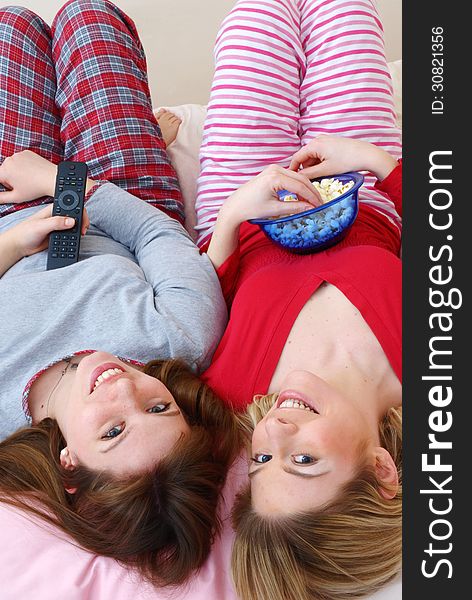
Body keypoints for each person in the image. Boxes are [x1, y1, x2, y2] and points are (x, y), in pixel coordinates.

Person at [0, 0, 241, 588]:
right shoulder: (180, 338)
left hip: (7, 216)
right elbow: (157, 231)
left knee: (12, 28)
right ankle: (141, 138)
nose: (125, 388)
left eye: (112, 430)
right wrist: (64, 182)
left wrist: (14, 245)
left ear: (70, 467)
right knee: (88, 17)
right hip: (122, 197)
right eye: (160, 409)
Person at [185, 0, 403, 598]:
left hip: (245, 196)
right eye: (302, 461)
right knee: (347, 12)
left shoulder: (234, 396)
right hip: (367, 189)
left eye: (259, 464)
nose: (274, 432)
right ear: (382, 471)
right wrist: (377, 162)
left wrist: (231, 216)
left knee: (254, 18)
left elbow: (201, 294)